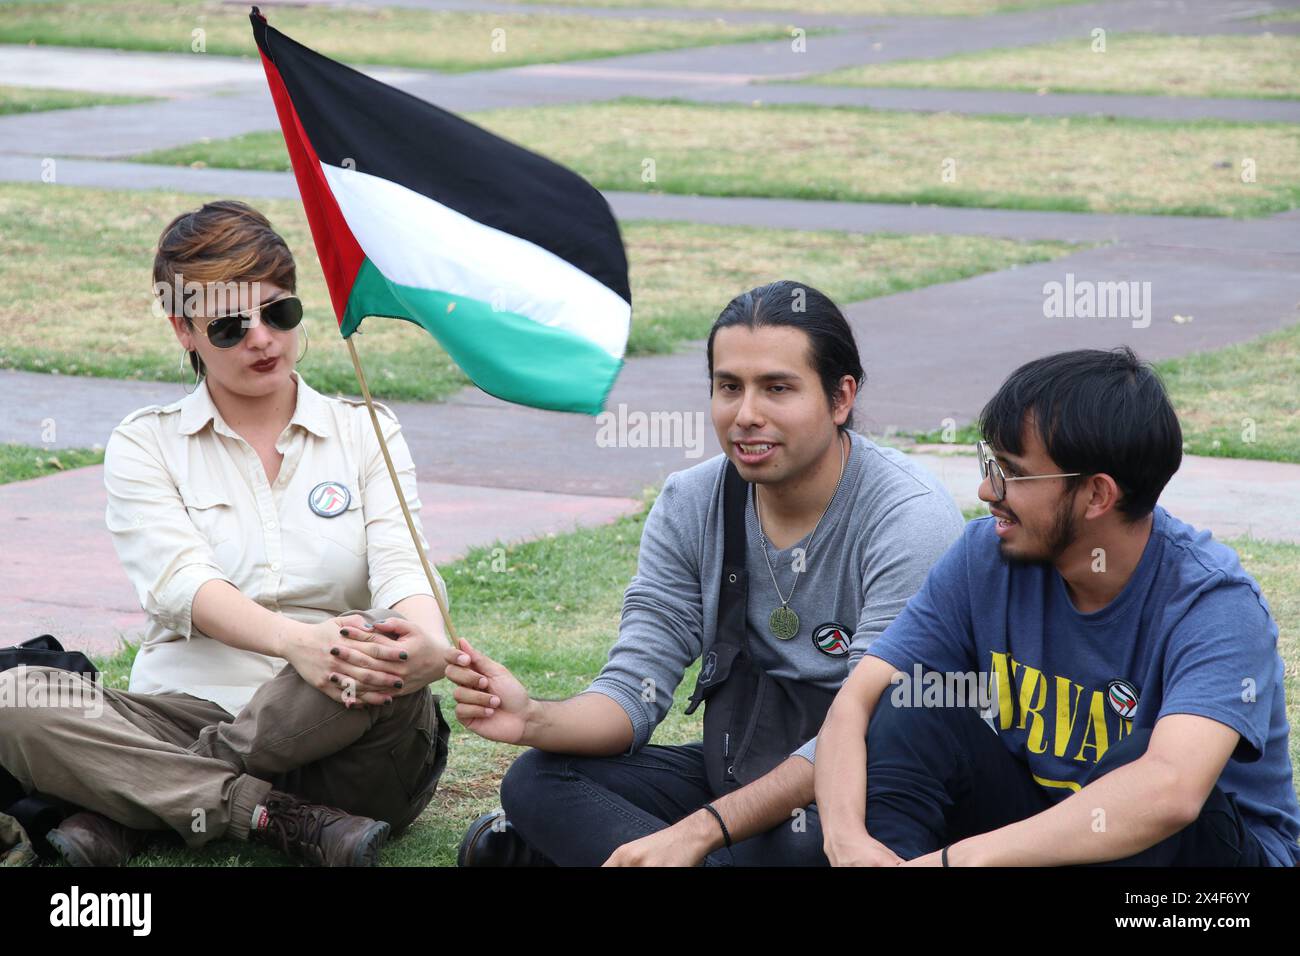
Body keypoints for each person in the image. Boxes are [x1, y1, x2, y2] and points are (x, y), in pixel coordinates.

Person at [0, 200, 460, 866]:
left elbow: (403, 568)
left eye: (279, 312)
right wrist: (296, 642)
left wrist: (429, 642)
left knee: (373, 643)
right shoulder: (147, 442)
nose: (262, 339)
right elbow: (181, 585)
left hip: (343, 718)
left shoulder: (367, 430)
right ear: (183, 330)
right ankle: (270, 815)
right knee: (14, 697)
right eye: (229, 326)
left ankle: (144, 802)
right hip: (191, 709)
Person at [450, 280, 966, 866]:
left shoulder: (908, 517)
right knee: (539, 779)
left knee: (802, 846)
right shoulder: (692, 501)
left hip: (860, 789)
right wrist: (532, 717)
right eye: (729, 387)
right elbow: (632, 691)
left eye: (777, 388)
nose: (746, 415)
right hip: (740, 768)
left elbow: (866, 728)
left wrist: (699, 832)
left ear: (840, 397)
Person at [814, 347, 1300, 867]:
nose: (986, 490)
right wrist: (847, 840)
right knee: (909, 706)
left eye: (1012, 472)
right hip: (1046, 837)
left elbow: (1172, 791)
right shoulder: (985, 557)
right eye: (990, 463)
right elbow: (855, 703)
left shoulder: (1214, 602)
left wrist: (956, 861)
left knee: (1140, 766)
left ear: (1097, 495)